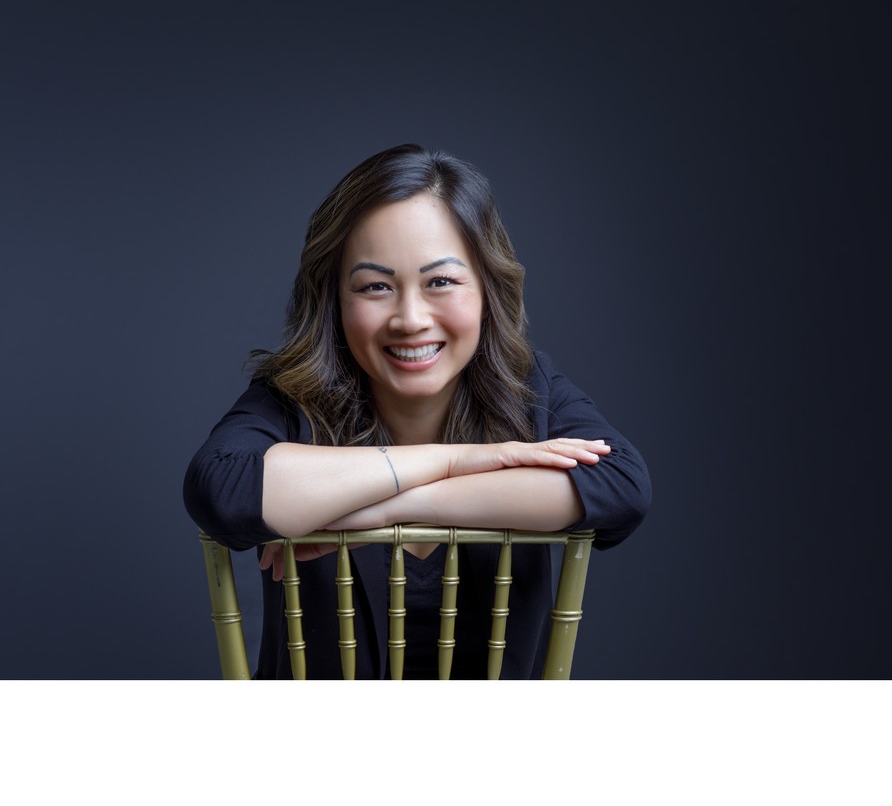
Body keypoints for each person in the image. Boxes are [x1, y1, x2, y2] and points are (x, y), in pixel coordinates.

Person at [183, 143, 651, 678]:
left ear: (486, 290)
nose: (409, 318)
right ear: (335, 297)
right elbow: (220, 489)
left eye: (441, 282)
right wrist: (451, 461)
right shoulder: (290, 400)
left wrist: (383, 509)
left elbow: (620, 486)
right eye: (375, 286)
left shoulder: (530, 390)